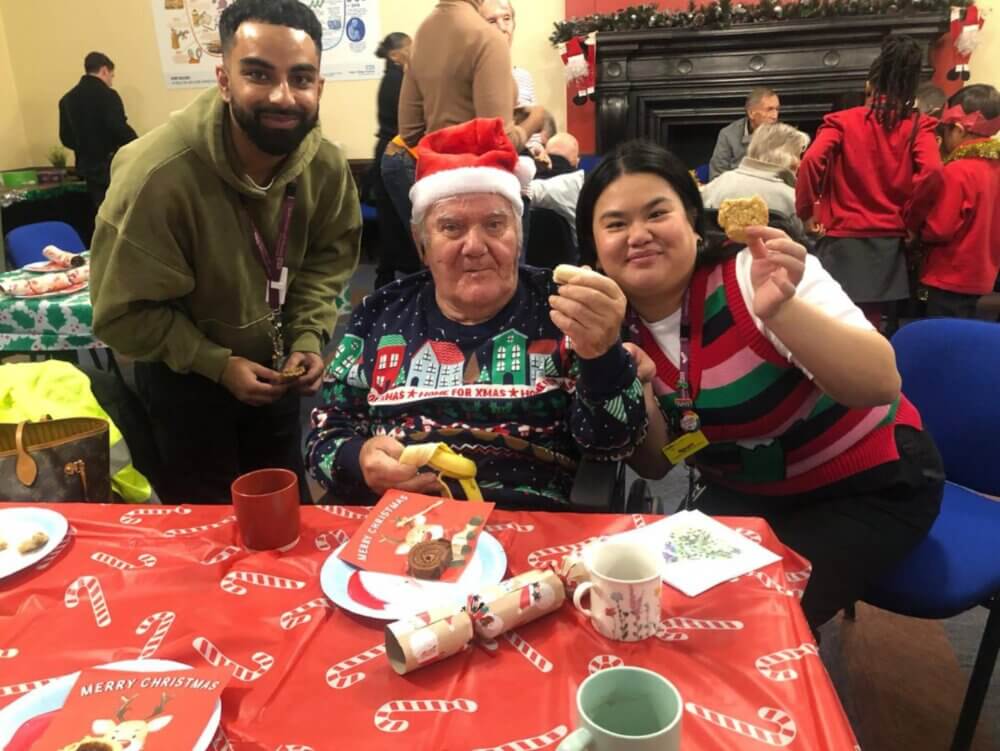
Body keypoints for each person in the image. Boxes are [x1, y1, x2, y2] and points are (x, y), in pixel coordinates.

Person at [577, 139, 943, 632]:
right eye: (616, 224)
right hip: (748, 494)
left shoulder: (758, 271)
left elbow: (880, 383)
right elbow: (658, 460)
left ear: (692, 219)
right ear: (595, 248)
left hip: (868, 484)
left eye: (657, 213)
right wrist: (636, 384)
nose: (638, 235)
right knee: (659, 597)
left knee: (751, 621)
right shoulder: (613, 323)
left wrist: (783, 312)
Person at [89, 0, 361, 504]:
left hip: (275, 376)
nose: (283, 96)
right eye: (258, 74)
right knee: (206, 531)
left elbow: (327, 261)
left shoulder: (324, 166)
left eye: (301, 79)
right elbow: (121, 315)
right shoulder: (156, 174)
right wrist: (215, 363)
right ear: (223, 79)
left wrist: (306, 334)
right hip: (185, 382)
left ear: (319, 87)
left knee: (283, 521)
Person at [307, 118, 647, 508]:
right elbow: (323, 437)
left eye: (495, 224)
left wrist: (603, 358)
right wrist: (358, 459)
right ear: (422, 245)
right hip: (401, 525)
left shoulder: (568, 306)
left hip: (532, 524)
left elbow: (615, 443)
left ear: (519, 235)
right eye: (451, 228)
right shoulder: (379, 313)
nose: (474, 246)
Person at [796, 35, 943, 329]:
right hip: (887, 239)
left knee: (830, 314)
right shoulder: (917, 127)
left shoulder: (843, 121)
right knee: (871, 322)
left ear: (869, 84)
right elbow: (932, 173)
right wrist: (911, 221)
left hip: (842, 237)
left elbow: (811, 160)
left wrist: (807, 212)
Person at [381, 0, 546, 235]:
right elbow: (497, 140)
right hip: (488, 191)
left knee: (444, 268)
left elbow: (409, 131)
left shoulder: (422, 37)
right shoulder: (486, 38)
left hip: (438, 186)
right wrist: (536, 119)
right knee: (500, 269)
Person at [917, 84, 1000, 318]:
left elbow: (939, 228)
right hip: (985, 276)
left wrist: (917, 230)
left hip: (950, 277)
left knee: (943, 345)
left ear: (959, 129)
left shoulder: (958, 171)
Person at [58, 52, 138, 208]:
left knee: (101, 212)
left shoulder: (66, 100)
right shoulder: (108, 95)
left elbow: (65, 137)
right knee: (121, 211)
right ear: (104, 70)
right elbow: (118, 128)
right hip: (111, 165)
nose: (111, 81)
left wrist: (85, 147)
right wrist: (139, 146)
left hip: (87, 167)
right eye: (111, 76)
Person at [372, 32, 420, 290]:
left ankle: (385, 280)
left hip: (388, 152)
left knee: (390, 221)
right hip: (397, 153)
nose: (414, 53)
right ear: (395, 55)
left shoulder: (392, 78)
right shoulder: (399, 80)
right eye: (409, 49)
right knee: (401, 221)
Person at [702, 122, 810, 235]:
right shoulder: (792, 198)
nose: (800, 163)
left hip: (719, 252)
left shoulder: (717, 185)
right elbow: (800, 242)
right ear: (788, 157)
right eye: (798, 155)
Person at [525, 132, 585, 246]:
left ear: (545, 155)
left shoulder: (525, 183)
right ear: (577, 163)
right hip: (574, 262)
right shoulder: (580, 184)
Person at [708, 88, 780, 181]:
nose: (775, 116)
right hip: (736, 190)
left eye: (777, 109)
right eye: (769, 109)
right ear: (751, 113)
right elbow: (716, 176)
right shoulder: (728, 135)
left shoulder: (782, 135)